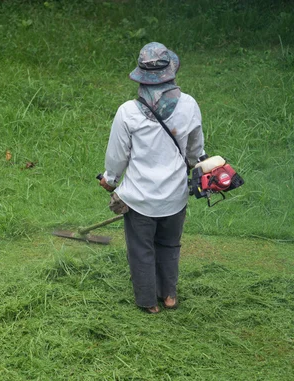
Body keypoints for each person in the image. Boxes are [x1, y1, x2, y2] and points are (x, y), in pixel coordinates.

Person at [99, 42, 205, 314]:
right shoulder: (189, 105)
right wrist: (192, 167)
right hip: (175, 197)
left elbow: (116, 158)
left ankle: (148, 303)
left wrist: (110, 180)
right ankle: (169, 295)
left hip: (139, 199)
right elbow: (196, 151)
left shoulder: (128, 112)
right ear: (170, 73)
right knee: (169, 245)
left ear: (141, 77)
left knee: (141, 249)